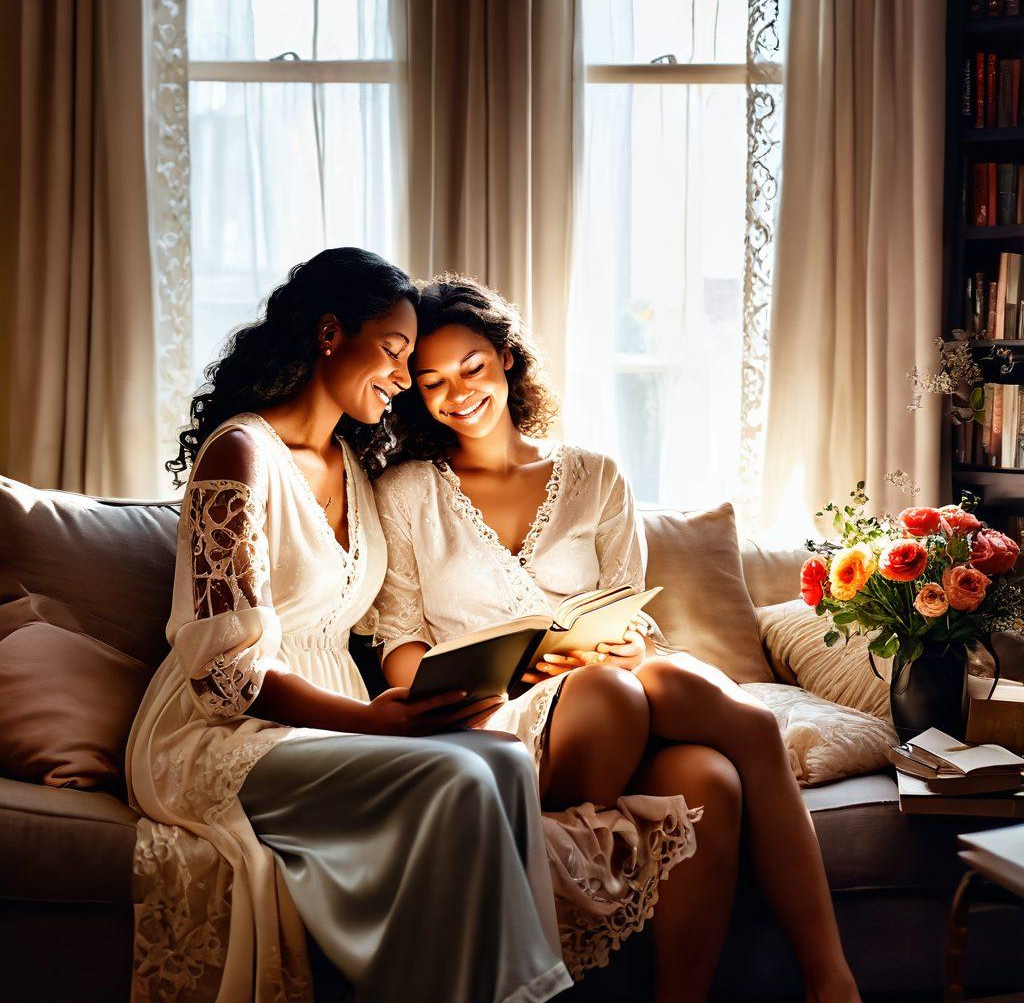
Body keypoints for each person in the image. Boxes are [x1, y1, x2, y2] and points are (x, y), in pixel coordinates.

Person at [367, 274, 862, 1003]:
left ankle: (824, 981)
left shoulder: (595, 476)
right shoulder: (405, 489)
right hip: (494, 721)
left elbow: (629, 611)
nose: (457, 392)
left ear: (505, 357)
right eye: (433, 381)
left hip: (615, 693)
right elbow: (399, 641)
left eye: (471, 367)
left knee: (712, 778)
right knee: (614, 693)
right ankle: (835, 987)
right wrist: (478, 682)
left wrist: (629, 644)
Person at [125, 250, 572, 1003]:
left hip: (335, 723)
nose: (404, 378)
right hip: (220, 733)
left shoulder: (355, 469)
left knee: (504, 762)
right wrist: (371, 722)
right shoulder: (239, 455)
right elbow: (224, 677)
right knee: (462, 776)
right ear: (331, 332)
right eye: (395, 351)